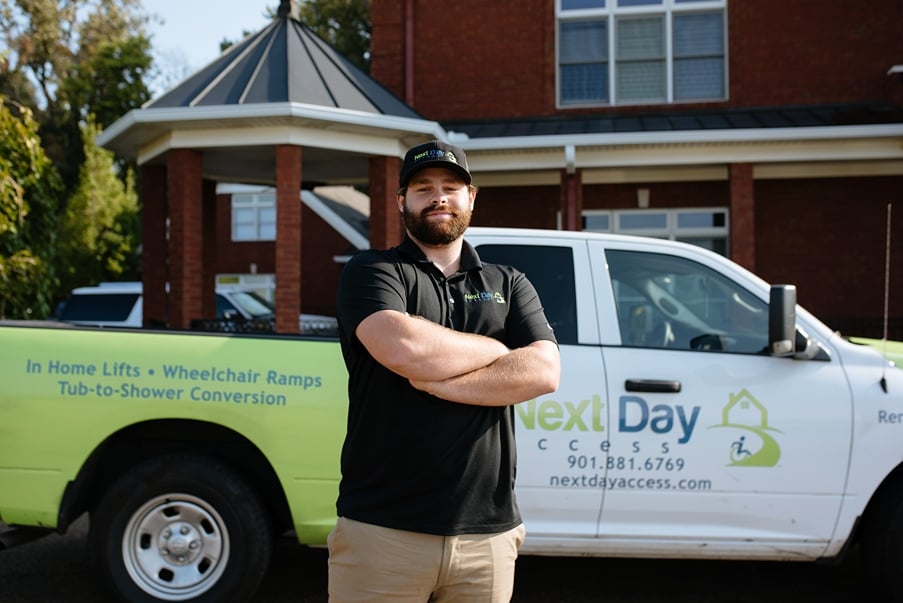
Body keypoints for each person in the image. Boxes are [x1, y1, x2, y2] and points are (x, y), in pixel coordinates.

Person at [328, 140, 561, 603]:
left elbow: (543, 371)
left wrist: (439, 379)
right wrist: (499, 350)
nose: (439, 198)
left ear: (470, 197)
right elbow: (406, 349)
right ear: (402, 201)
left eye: (451, 187)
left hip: (487, 538)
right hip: (383, 531)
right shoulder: (373, 271)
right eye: (423, 188)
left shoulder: (508, 282)